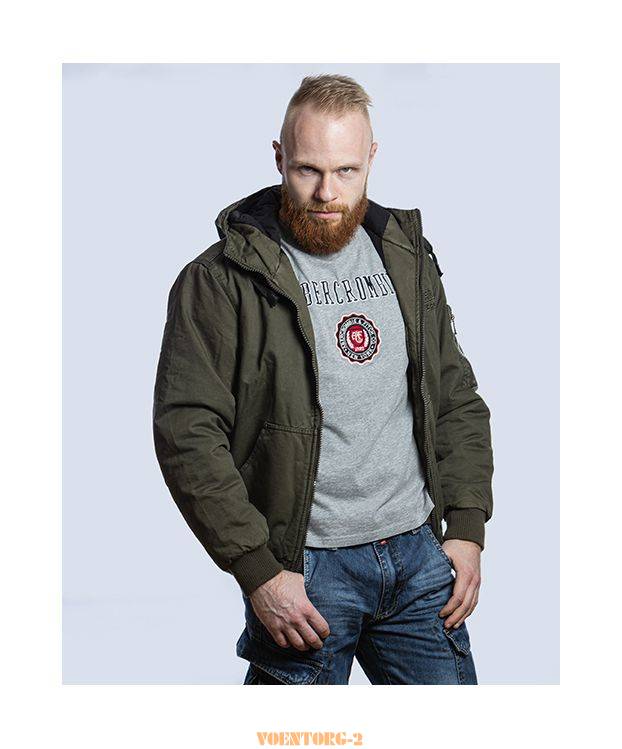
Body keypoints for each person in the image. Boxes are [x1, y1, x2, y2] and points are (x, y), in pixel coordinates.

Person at [152, 74, 494, 685]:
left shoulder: (406, 256)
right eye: (307, 169)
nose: (326, 193)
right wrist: (258, 570)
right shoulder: (221, 279)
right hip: (304, 573)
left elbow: (455, 396)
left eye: (346, 171)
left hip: (419, 560)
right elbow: (188, 433)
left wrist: (467, 526)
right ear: (278, 157)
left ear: (372, 158)